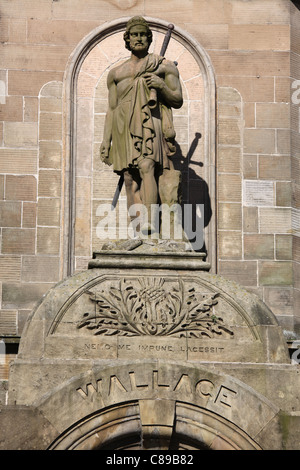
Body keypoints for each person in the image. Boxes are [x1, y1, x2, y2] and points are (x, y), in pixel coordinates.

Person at [100, 16, 183, 235]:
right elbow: (111, 109)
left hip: (149, 120)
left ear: (149, 38)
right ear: (127, 39)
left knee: (147, 167)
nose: (138, 39)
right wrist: (105, 141)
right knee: (129, 178)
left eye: (143, 35)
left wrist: (161, 86)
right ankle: (137, 228)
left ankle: (151, 224)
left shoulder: (163, 66)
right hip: (122, 126)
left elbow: (177, 99)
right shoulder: (115, 73)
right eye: (134, 35)